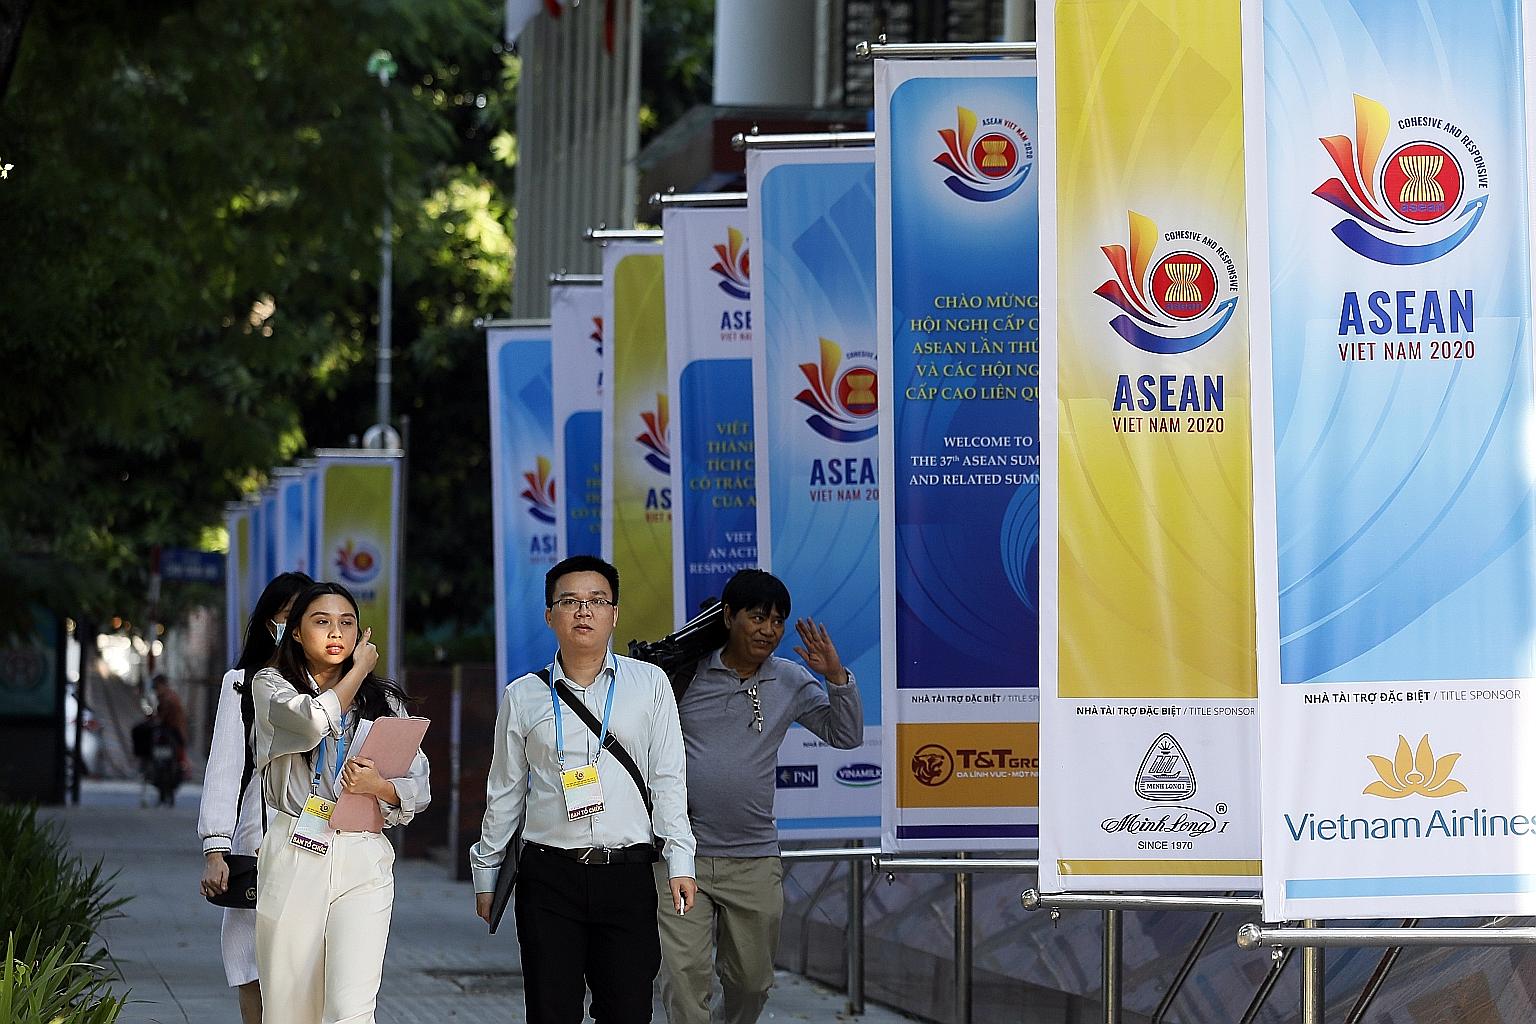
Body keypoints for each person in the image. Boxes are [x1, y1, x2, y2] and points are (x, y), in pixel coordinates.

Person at [471, 554, 698, 1024]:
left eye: (597, 601)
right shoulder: (523, 695)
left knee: (628, 1011)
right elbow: (505, 792)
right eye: (570, 601)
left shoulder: (649, 684)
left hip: (628, 874)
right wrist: (487, 873)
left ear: (614, 614)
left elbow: (668, 779)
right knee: (551, 1012)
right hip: (549, 876)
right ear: (549, 615)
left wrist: (681, 860)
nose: (583, 611)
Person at [656, 568, 864, 1024]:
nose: (768, 629)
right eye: (757, 617)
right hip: (682, 856)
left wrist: (835, 676)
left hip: (753, 858)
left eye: (777, 621)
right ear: (729, 616)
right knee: (685, 978)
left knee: (751, 983)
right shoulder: (682, 676)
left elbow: (846, 735)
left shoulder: (789, 680)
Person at [251, 581, 430, 1024]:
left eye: (346, 623)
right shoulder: (271, 686)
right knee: (289, 1008)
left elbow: (419, 784)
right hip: (295, 848)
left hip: (363, 854)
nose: (336, 633)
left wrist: (380, 787)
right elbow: (313, 722)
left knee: (352, 1010)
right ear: (296, 632)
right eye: (322, 622)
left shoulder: (383, 700)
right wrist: (359, 669)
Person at [197, 570, 313, 1024]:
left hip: (320, 837)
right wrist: (216, 850)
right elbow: (224, 769)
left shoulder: (334, 687)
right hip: (256, 837)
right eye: (288, 616)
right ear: (270, 622)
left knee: (304, 964)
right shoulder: (242, 683)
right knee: (249, 961)